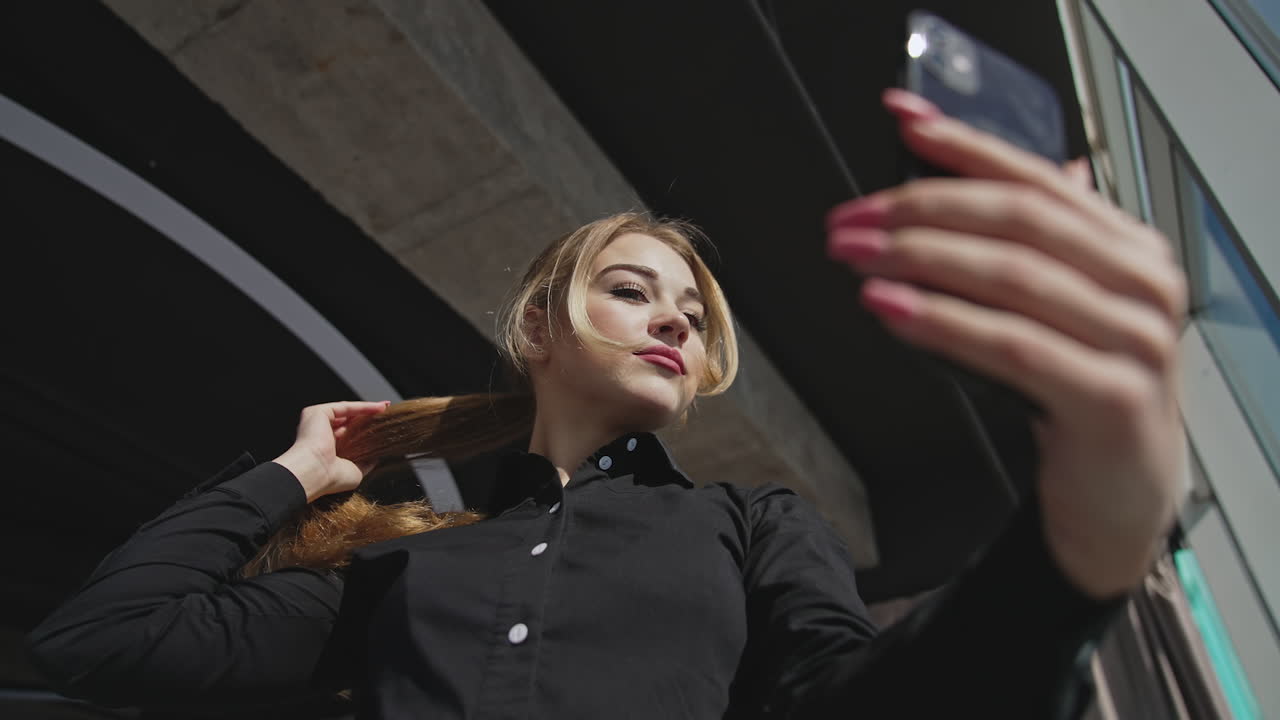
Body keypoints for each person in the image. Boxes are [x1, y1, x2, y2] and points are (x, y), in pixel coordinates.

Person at [25, 89, 1186, 718]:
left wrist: (1071, 554)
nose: (674, 319)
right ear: (538, 330)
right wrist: (299, 470)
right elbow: (101, 645)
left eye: (689, 308)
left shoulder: (751, 529)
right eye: (630, 290)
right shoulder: (397, 577)